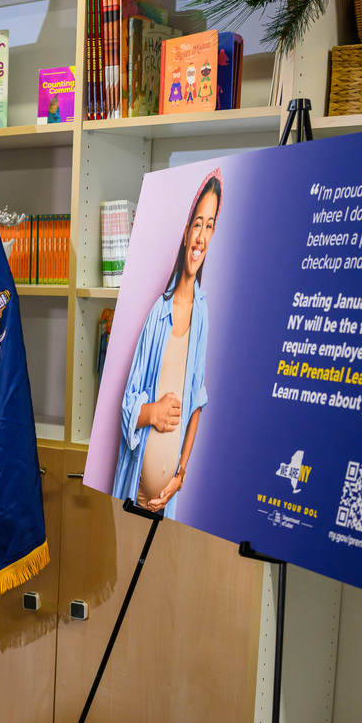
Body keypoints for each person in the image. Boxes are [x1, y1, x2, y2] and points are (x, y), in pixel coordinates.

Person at [112, 169, 220, 519]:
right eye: (197, 224)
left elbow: (197, 401)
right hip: (133, 488)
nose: (201, 236)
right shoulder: (158, 312)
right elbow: (127, 403)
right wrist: (152, 413)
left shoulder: (202, 312)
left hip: (168, 499)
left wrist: (180, 475)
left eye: (210, 225)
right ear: (186, 230)